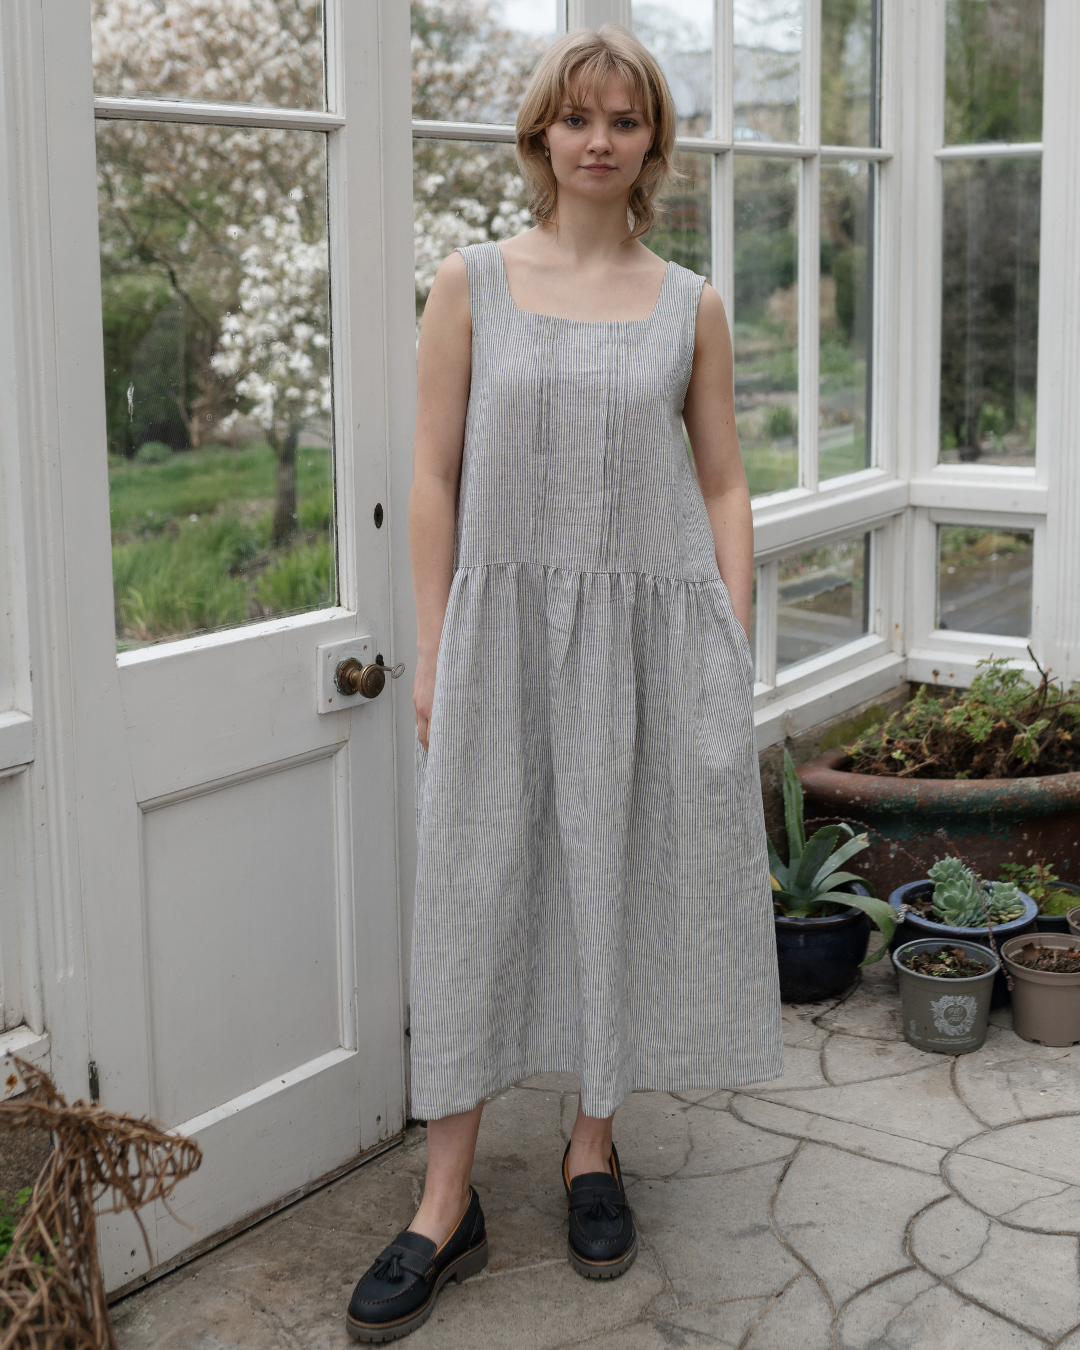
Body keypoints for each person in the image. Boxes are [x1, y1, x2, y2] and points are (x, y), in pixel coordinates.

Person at [346, 23, 782, 1344]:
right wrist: (432, 647)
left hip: (646, 644)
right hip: (501, 636)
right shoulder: (472, 281)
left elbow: (720, 481)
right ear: (542, 134)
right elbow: (429, 475)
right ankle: (444, 1199)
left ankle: (595, 1147)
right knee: (475, 893)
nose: (599, 138)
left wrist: (729, 638)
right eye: (577, 116)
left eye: (626, 118)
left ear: (652, 143)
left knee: (612, 878)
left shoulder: (685, 302)